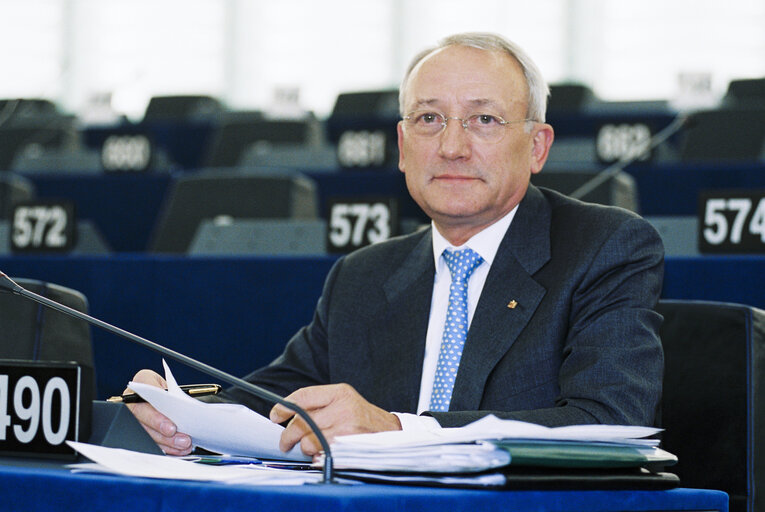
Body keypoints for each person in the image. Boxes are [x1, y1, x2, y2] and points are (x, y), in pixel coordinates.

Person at [128, 32, 664, 457]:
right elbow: (273, 399)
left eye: (484, 120)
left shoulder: (605, 246)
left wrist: (397, 429)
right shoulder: (363, 275)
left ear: (537, 146)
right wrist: (175, 410)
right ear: (404, 147)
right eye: (429, 119)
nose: (452, 146)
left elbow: (608, 422)